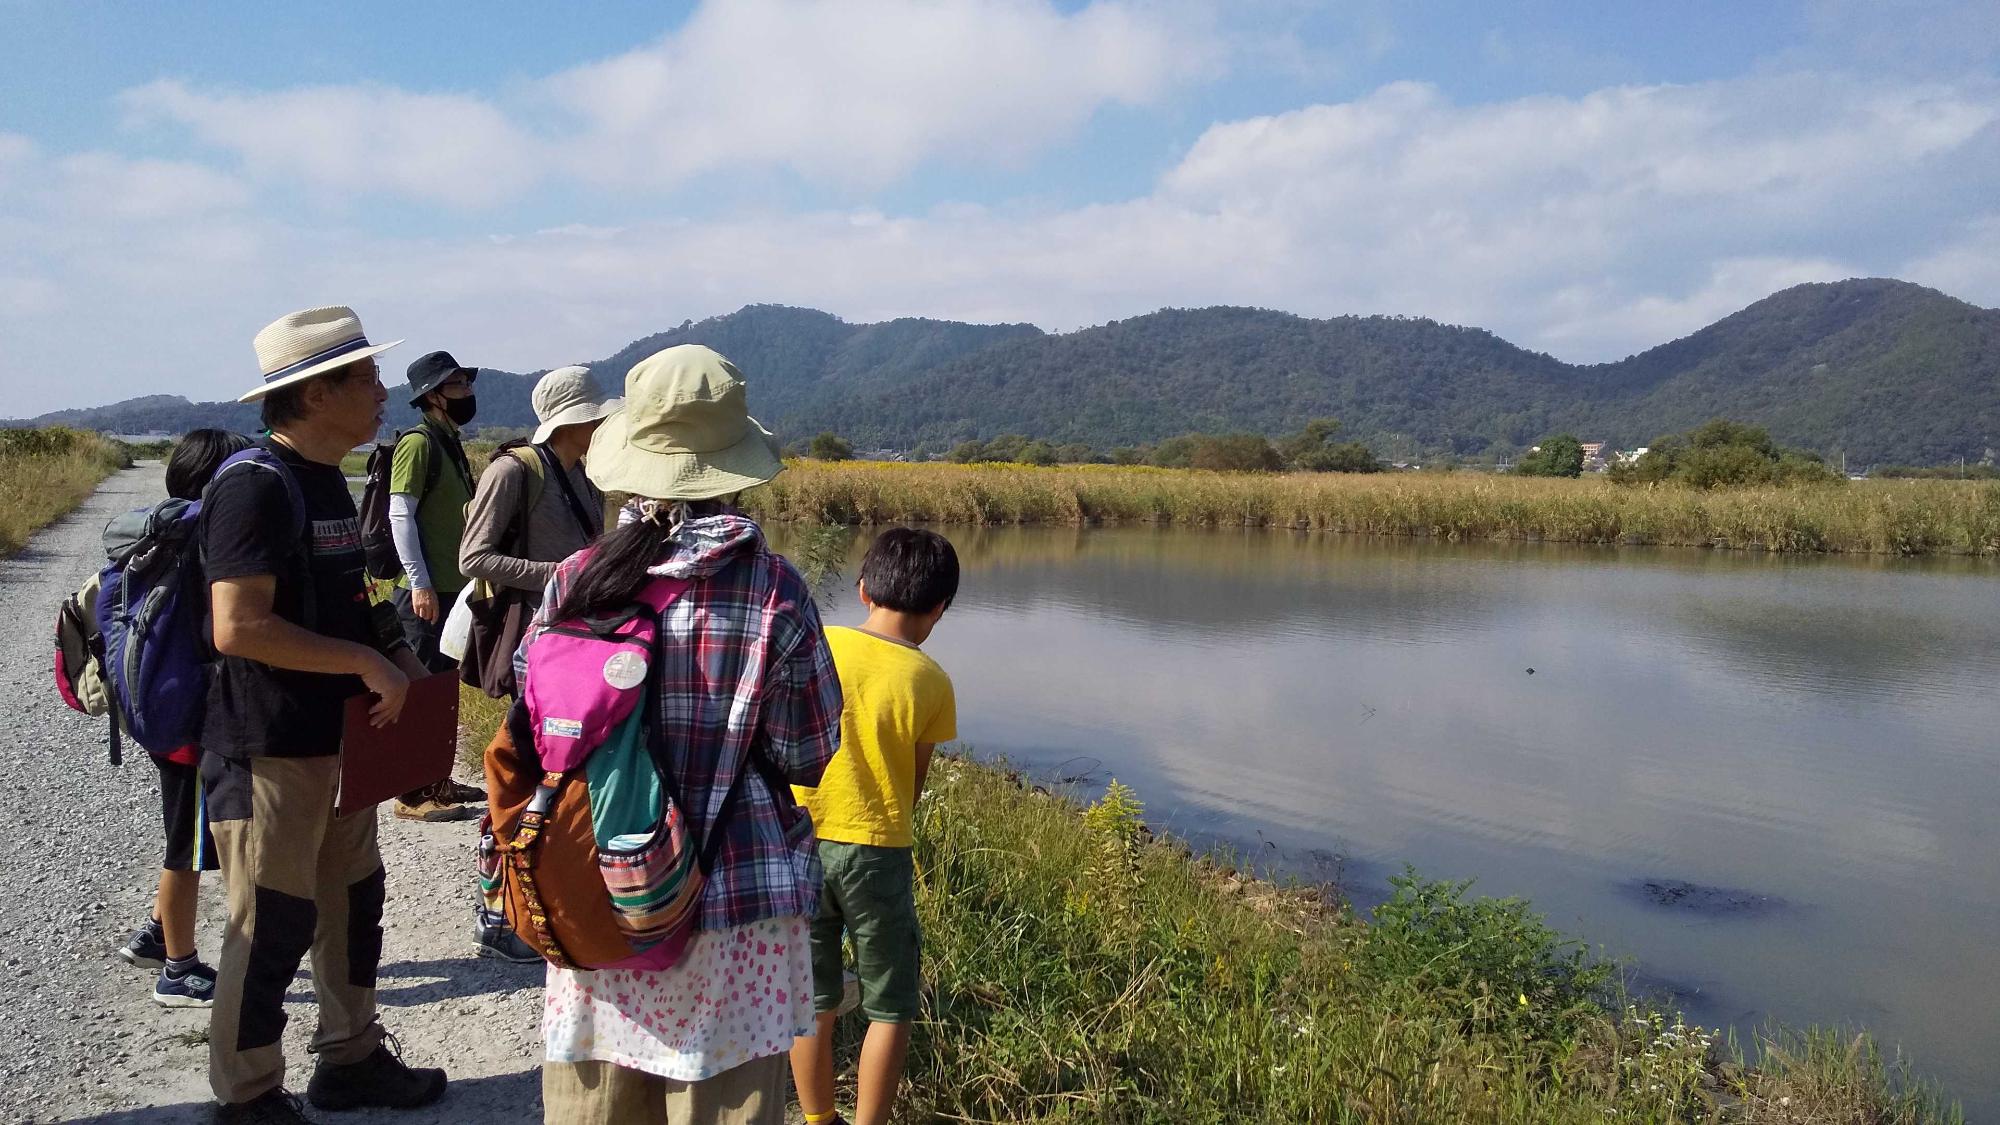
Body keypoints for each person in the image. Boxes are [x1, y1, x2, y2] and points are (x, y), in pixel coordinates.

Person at [530, 344, 843, 1125]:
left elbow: (545, 732)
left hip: (599, 894)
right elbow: (810, 752)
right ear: (734, 465)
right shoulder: (776, 590)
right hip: (733, 906)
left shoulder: (575, 578)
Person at [199, 306, 447, 1123]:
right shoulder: (252, 486)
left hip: (342, 741)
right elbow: (236, 625)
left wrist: (395, 651)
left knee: (353, 897)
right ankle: (249, 1093)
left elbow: (350, 593)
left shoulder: (323, 478)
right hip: (269, 744)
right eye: (367, 377)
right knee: (270, 919)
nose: (383, 391)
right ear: (313, 393)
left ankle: (350, 1056)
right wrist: (362, 661)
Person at [787, 528, 958, 1125]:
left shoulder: (818, 645)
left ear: (863, 590)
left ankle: (817, 1119)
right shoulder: (930, 681)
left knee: (811, 996)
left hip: (799, 839)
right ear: (940, 608)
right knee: (890, 1004)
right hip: (876, 849)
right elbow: (914, 781)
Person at [456, 365, 616, 964]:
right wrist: (560, 576)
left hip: (574, 643)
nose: (604, 423)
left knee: (556, 778)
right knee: (521, 772)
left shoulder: (589, 476)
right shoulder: (513, 471)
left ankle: (534, 908)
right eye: (598, 415)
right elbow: (474, 556)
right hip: (532, 642)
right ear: (575, 419)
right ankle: (493, 912)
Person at [116, 428, 254, 1008]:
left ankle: (156, 931)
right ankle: (177, 968)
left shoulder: (165, 535)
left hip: (160, 712)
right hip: (192, 727)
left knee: (181, 831)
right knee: (188, 848)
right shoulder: (205, 543)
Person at [387, 348, 484, 821]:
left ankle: (438, 780)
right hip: (425, 590)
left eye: (467, 382)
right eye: (458, 384)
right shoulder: (419, 443)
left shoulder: (449, 440)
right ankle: (411, 793)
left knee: (442, 687)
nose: (467, 391)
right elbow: (400, 512)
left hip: (451, 585)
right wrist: (418, 581)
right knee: (419, 686)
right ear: (432, 395)